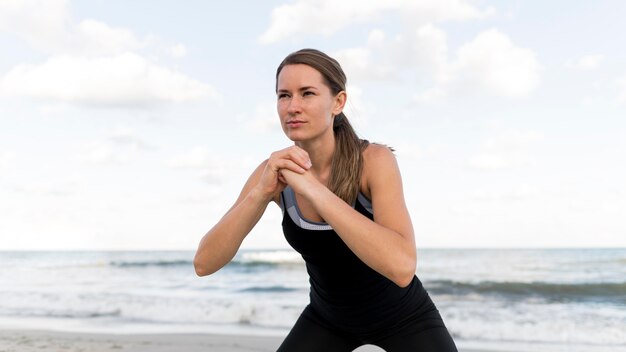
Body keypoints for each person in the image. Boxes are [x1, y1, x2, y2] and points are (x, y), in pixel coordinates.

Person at [193, 48, 457, 352]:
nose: (293, 106)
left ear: (338, 102)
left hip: (405, 318)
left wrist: (314, 190)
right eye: (283, 95)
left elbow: (401, 267)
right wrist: (260, 193)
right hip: (327, 320)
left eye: (307, 93)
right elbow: (204, 263)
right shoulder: (273, 173)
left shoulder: (373, 161)